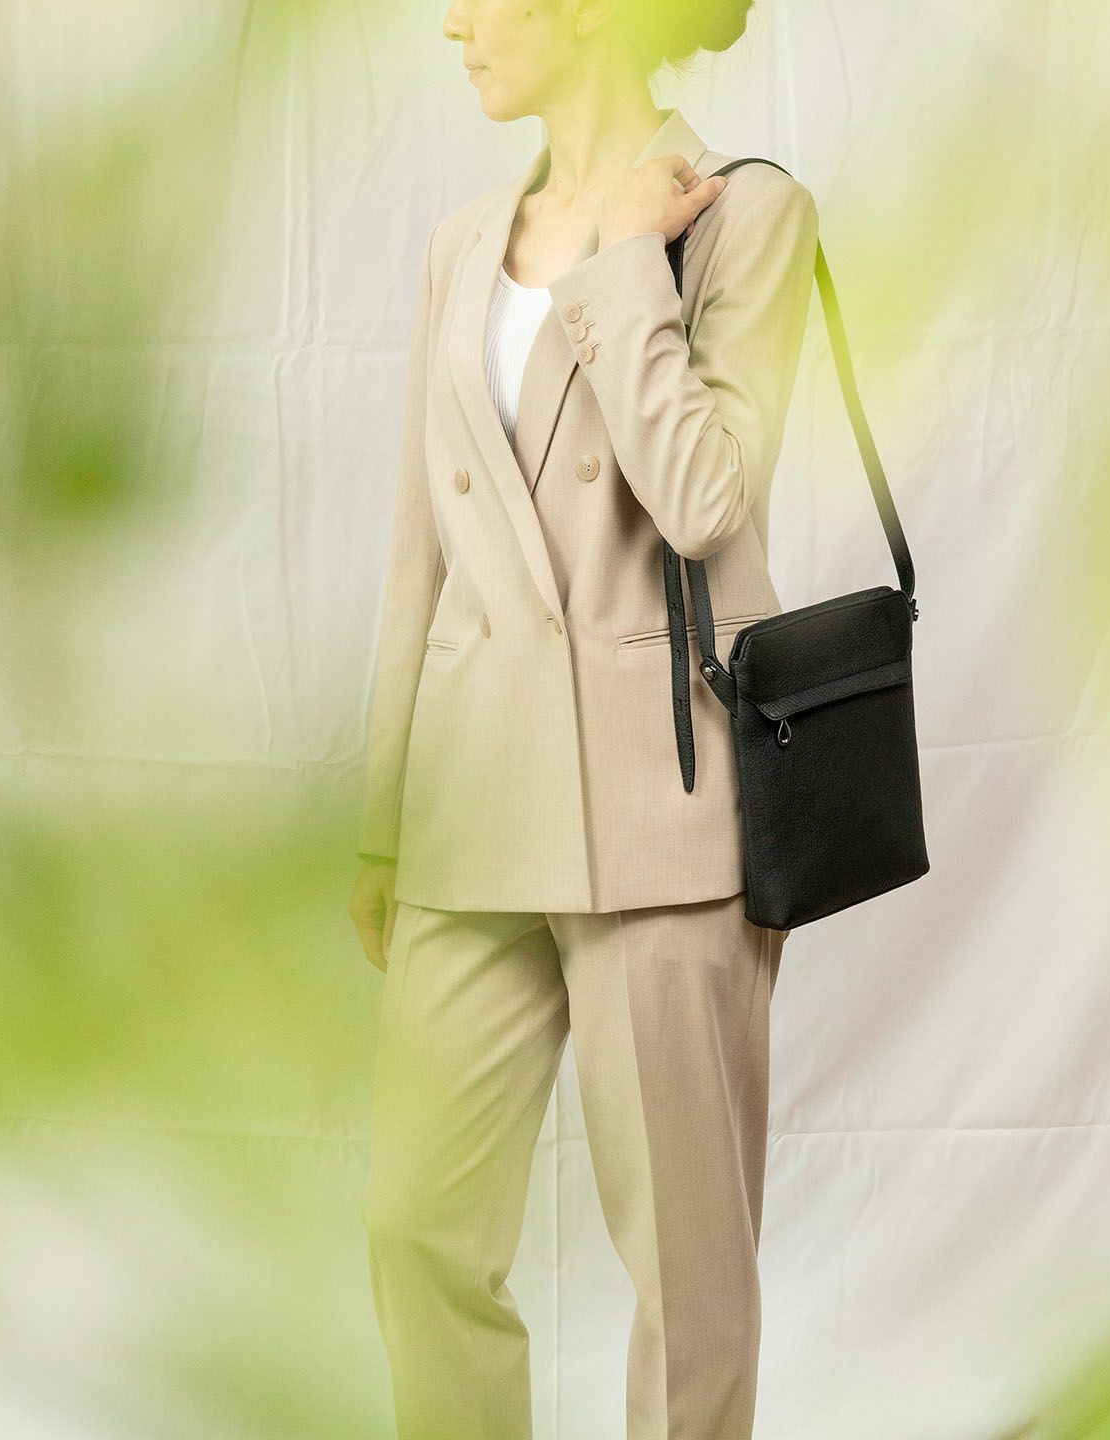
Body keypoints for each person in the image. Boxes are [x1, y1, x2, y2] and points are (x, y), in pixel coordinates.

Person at [348, 2, 820, 1436]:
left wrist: (623, 262)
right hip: (472, 804)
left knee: (689, 1281)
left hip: (661, 809)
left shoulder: (746, 216)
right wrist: (382, 819)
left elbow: (707, 500)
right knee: (415, 1227)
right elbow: (422, 551)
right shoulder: (460, 245)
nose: (453, 22)